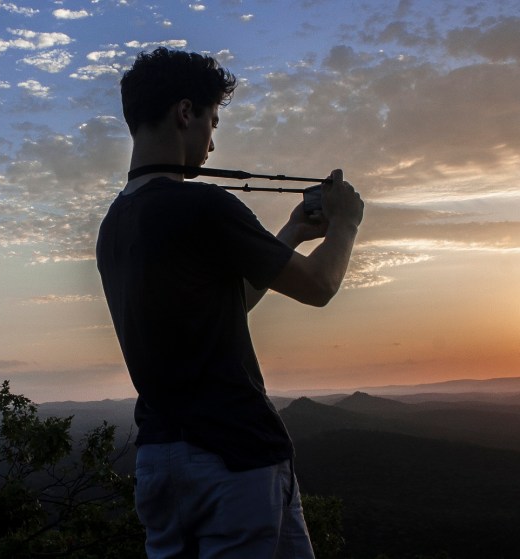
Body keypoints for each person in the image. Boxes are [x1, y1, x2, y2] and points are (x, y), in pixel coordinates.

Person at [95, 47, 364, 558]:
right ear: (185, 112)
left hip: (159, 460)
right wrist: (346, 222)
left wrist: (291, 232)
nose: (213, 143)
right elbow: (319, 286)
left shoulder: (116, 223)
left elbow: (227, 302)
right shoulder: (203, 205)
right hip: (236, 456)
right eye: (212, 122)